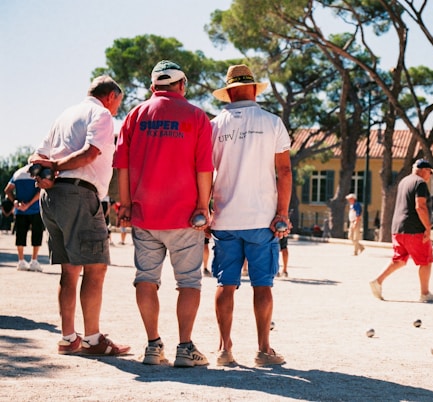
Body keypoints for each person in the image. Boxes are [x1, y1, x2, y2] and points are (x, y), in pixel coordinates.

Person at [113, 60, 213, 367]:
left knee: (146, 279)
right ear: (182, 85)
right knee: (189, 283)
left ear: (153, 86)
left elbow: (122, 166)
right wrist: (203, 206)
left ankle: (153, 346)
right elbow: (204, 167)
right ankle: (185, 348)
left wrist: (126, 206)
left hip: (145, 216)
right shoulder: (197, 116)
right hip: (185, 217)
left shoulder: (135, 115)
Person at [29, 75, 130, 356]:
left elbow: (35, 157)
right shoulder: (101, 114)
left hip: (53, 199)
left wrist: (46, 173)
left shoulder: (65, 114)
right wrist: (57, 167)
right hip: (79, 194)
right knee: (96, 267)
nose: (116, 110)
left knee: (69, 271)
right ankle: (93, 340)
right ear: (111, 96)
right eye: (118, 103)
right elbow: (91, 153)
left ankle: (68, 338)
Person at [210, 64, 292, 367]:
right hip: (262, 219)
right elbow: (284, 171)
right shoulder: (272, 122)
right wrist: (282, 212)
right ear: (254, 89)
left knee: (225, 284)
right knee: (263, 285)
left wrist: (203, 210)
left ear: (229, 92)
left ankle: (224, 349)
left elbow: (205, 171)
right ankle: (262, 349)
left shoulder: (215, 125)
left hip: (225, 218)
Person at [369, 159, 433, 303]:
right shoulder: (420, 183)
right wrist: (427, 227)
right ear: (423, 170)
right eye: (429, 172)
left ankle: (377, 282)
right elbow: (420, 206)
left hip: (398, 228)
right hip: (414, 229)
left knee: (400, 260)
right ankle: (425, 294)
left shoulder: (403, 181)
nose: (430, 176)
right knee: (425, 261)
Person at [4, 165, 45, 272]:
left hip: (20, 210)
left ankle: (21, 261)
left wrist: (15, 201)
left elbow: (7, 190)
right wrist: (29, 204)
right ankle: (34, 261)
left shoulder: (17, 173)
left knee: (20, 235)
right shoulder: (38, 172)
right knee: (37, 234)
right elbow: (40, 191)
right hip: (35, 209)